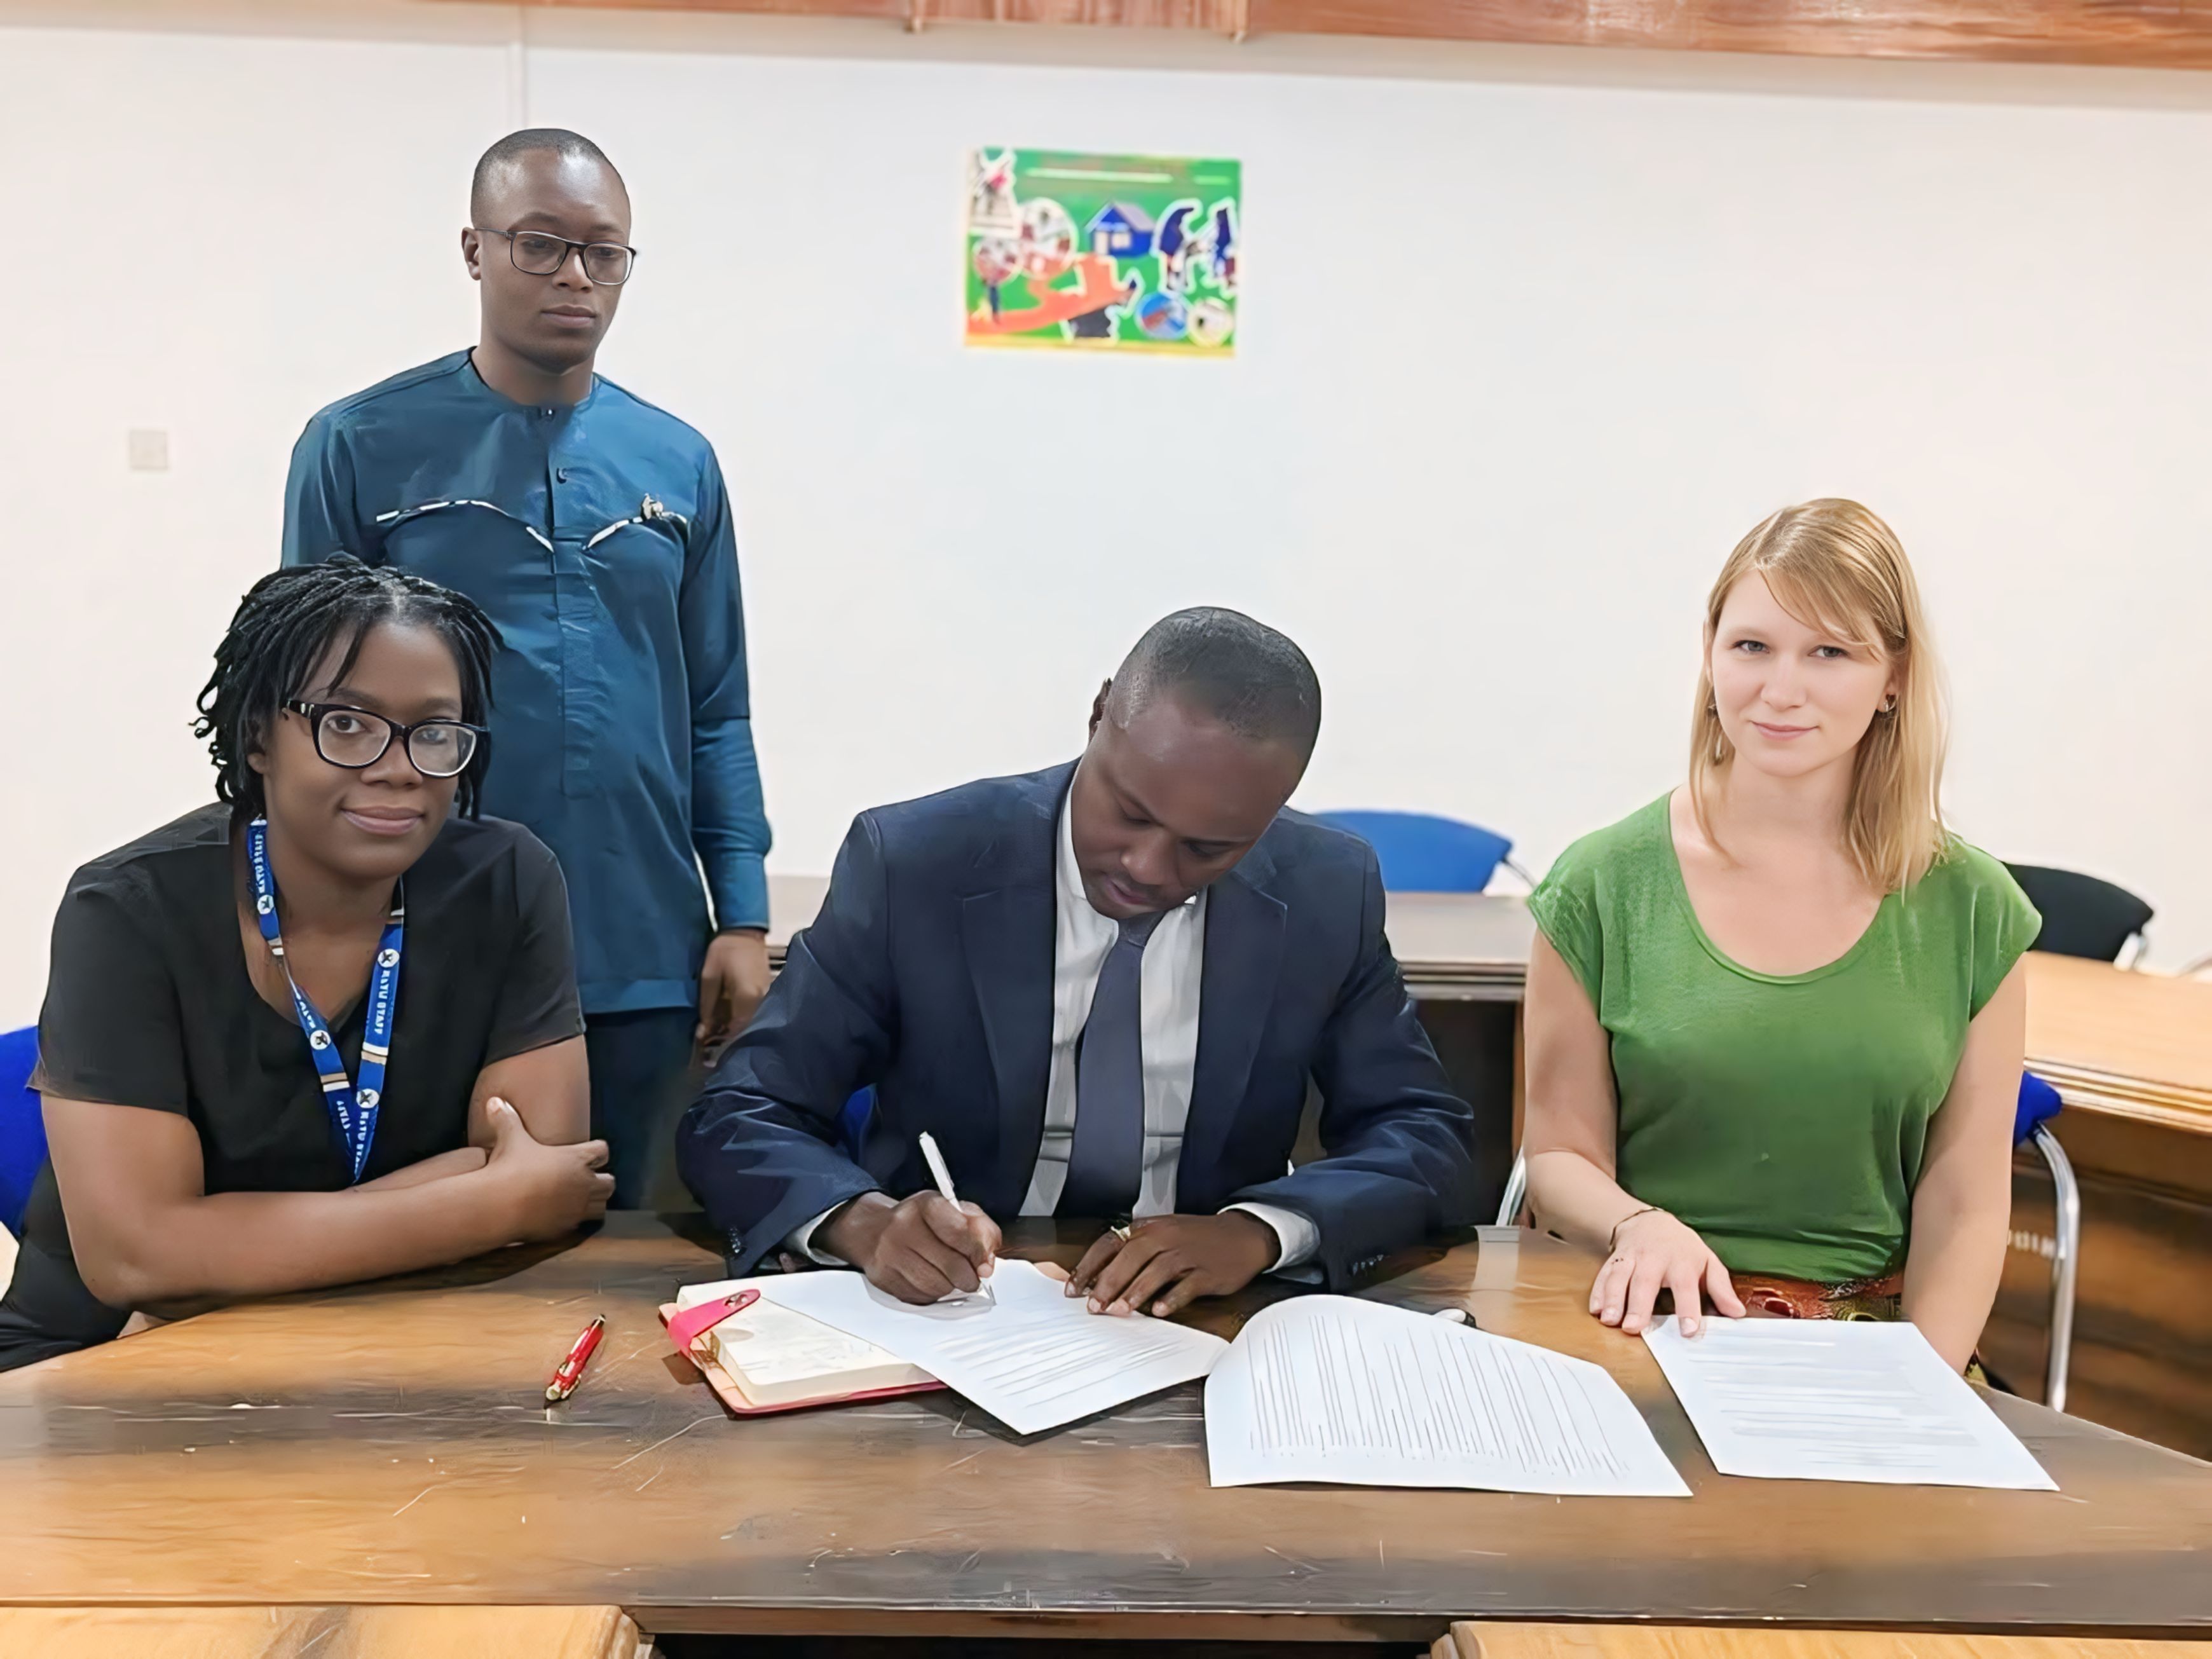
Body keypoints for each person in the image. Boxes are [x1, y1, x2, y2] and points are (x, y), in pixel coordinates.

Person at [679, 608, 1482, 1316]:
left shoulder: (1325, 891)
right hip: (956, 1311)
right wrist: (864, 1223)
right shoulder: (916, 865)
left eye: (1209, 849)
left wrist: (1258, 1233)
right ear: (1099, 716)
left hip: (1208, 1318)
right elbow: (742, 1111)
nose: (1148, 868)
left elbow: (1421, 1133)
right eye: (1129, 813)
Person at [280, 128, 769, 1208]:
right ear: (475, 248)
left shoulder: (679, 462)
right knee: (434, 1239)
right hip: (422, 935)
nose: (575, 277)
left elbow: (716, 706)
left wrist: (739, 914)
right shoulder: (358, 445)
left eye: (604, 252)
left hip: (642, 942)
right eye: (541, 244)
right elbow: (305, 715)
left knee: (640, 1247)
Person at [0, 558, 613, 1374]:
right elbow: (134, 1261)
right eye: (348, 723)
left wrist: (211, 1264)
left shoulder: (506, 880)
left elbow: (544, 1160)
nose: (399, 766)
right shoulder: (127, 909)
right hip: (105, 1352)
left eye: (435, 732)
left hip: (397, 1331)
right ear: (260, 736)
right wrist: (492, 1204)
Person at [1520, 500, 2038, 1374]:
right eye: (1752, 646)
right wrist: (1637, 1224)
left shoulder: (1976, 908)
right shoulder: (1600, 883)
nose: (1782, 689)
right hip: (1645, 1330)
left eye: (1830, 652)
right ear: (1710, 653)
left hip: (1873, 1346)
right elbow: (1559, 1157)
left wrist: (1920, 1389)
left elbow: (1966, 1204)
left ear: (1894, 677)